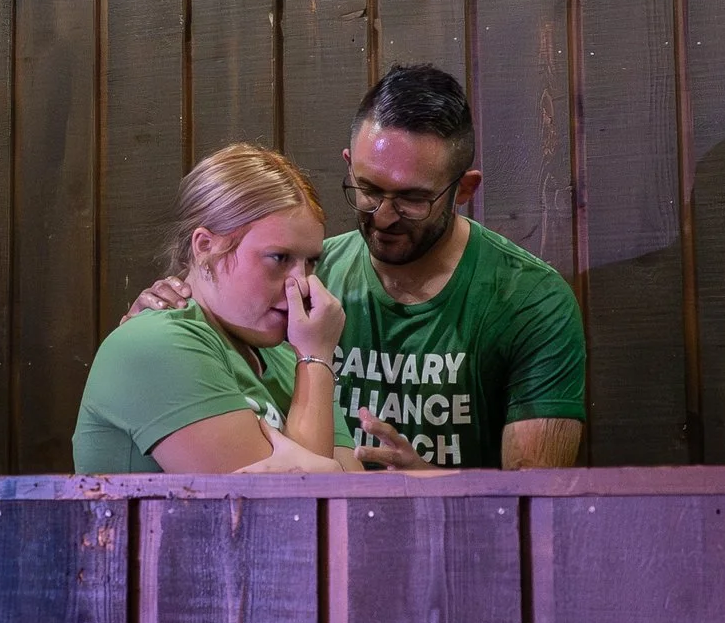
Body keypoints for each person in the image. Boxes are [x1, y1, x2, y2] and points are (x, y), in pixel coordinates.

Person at [126, 64, 587, 469]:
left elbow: (537, 498)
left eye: (412, 199)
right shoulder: (304, 274)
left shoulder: (529, 299)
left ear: (464, 190)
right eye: (368, 189)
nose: (383, 216)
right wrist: (161, 314)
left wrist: (427, 482)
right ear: (349, 165)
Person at [75, 144, 357, 473]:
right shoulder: (157, 343)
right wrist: (315, 361)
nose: (302, 283)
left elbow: (356, 494)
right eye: (280, 258)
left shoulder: (289, 355)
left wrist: (313, 360)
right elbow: (295, 501)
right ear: (206, 246)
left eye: (310, 262)